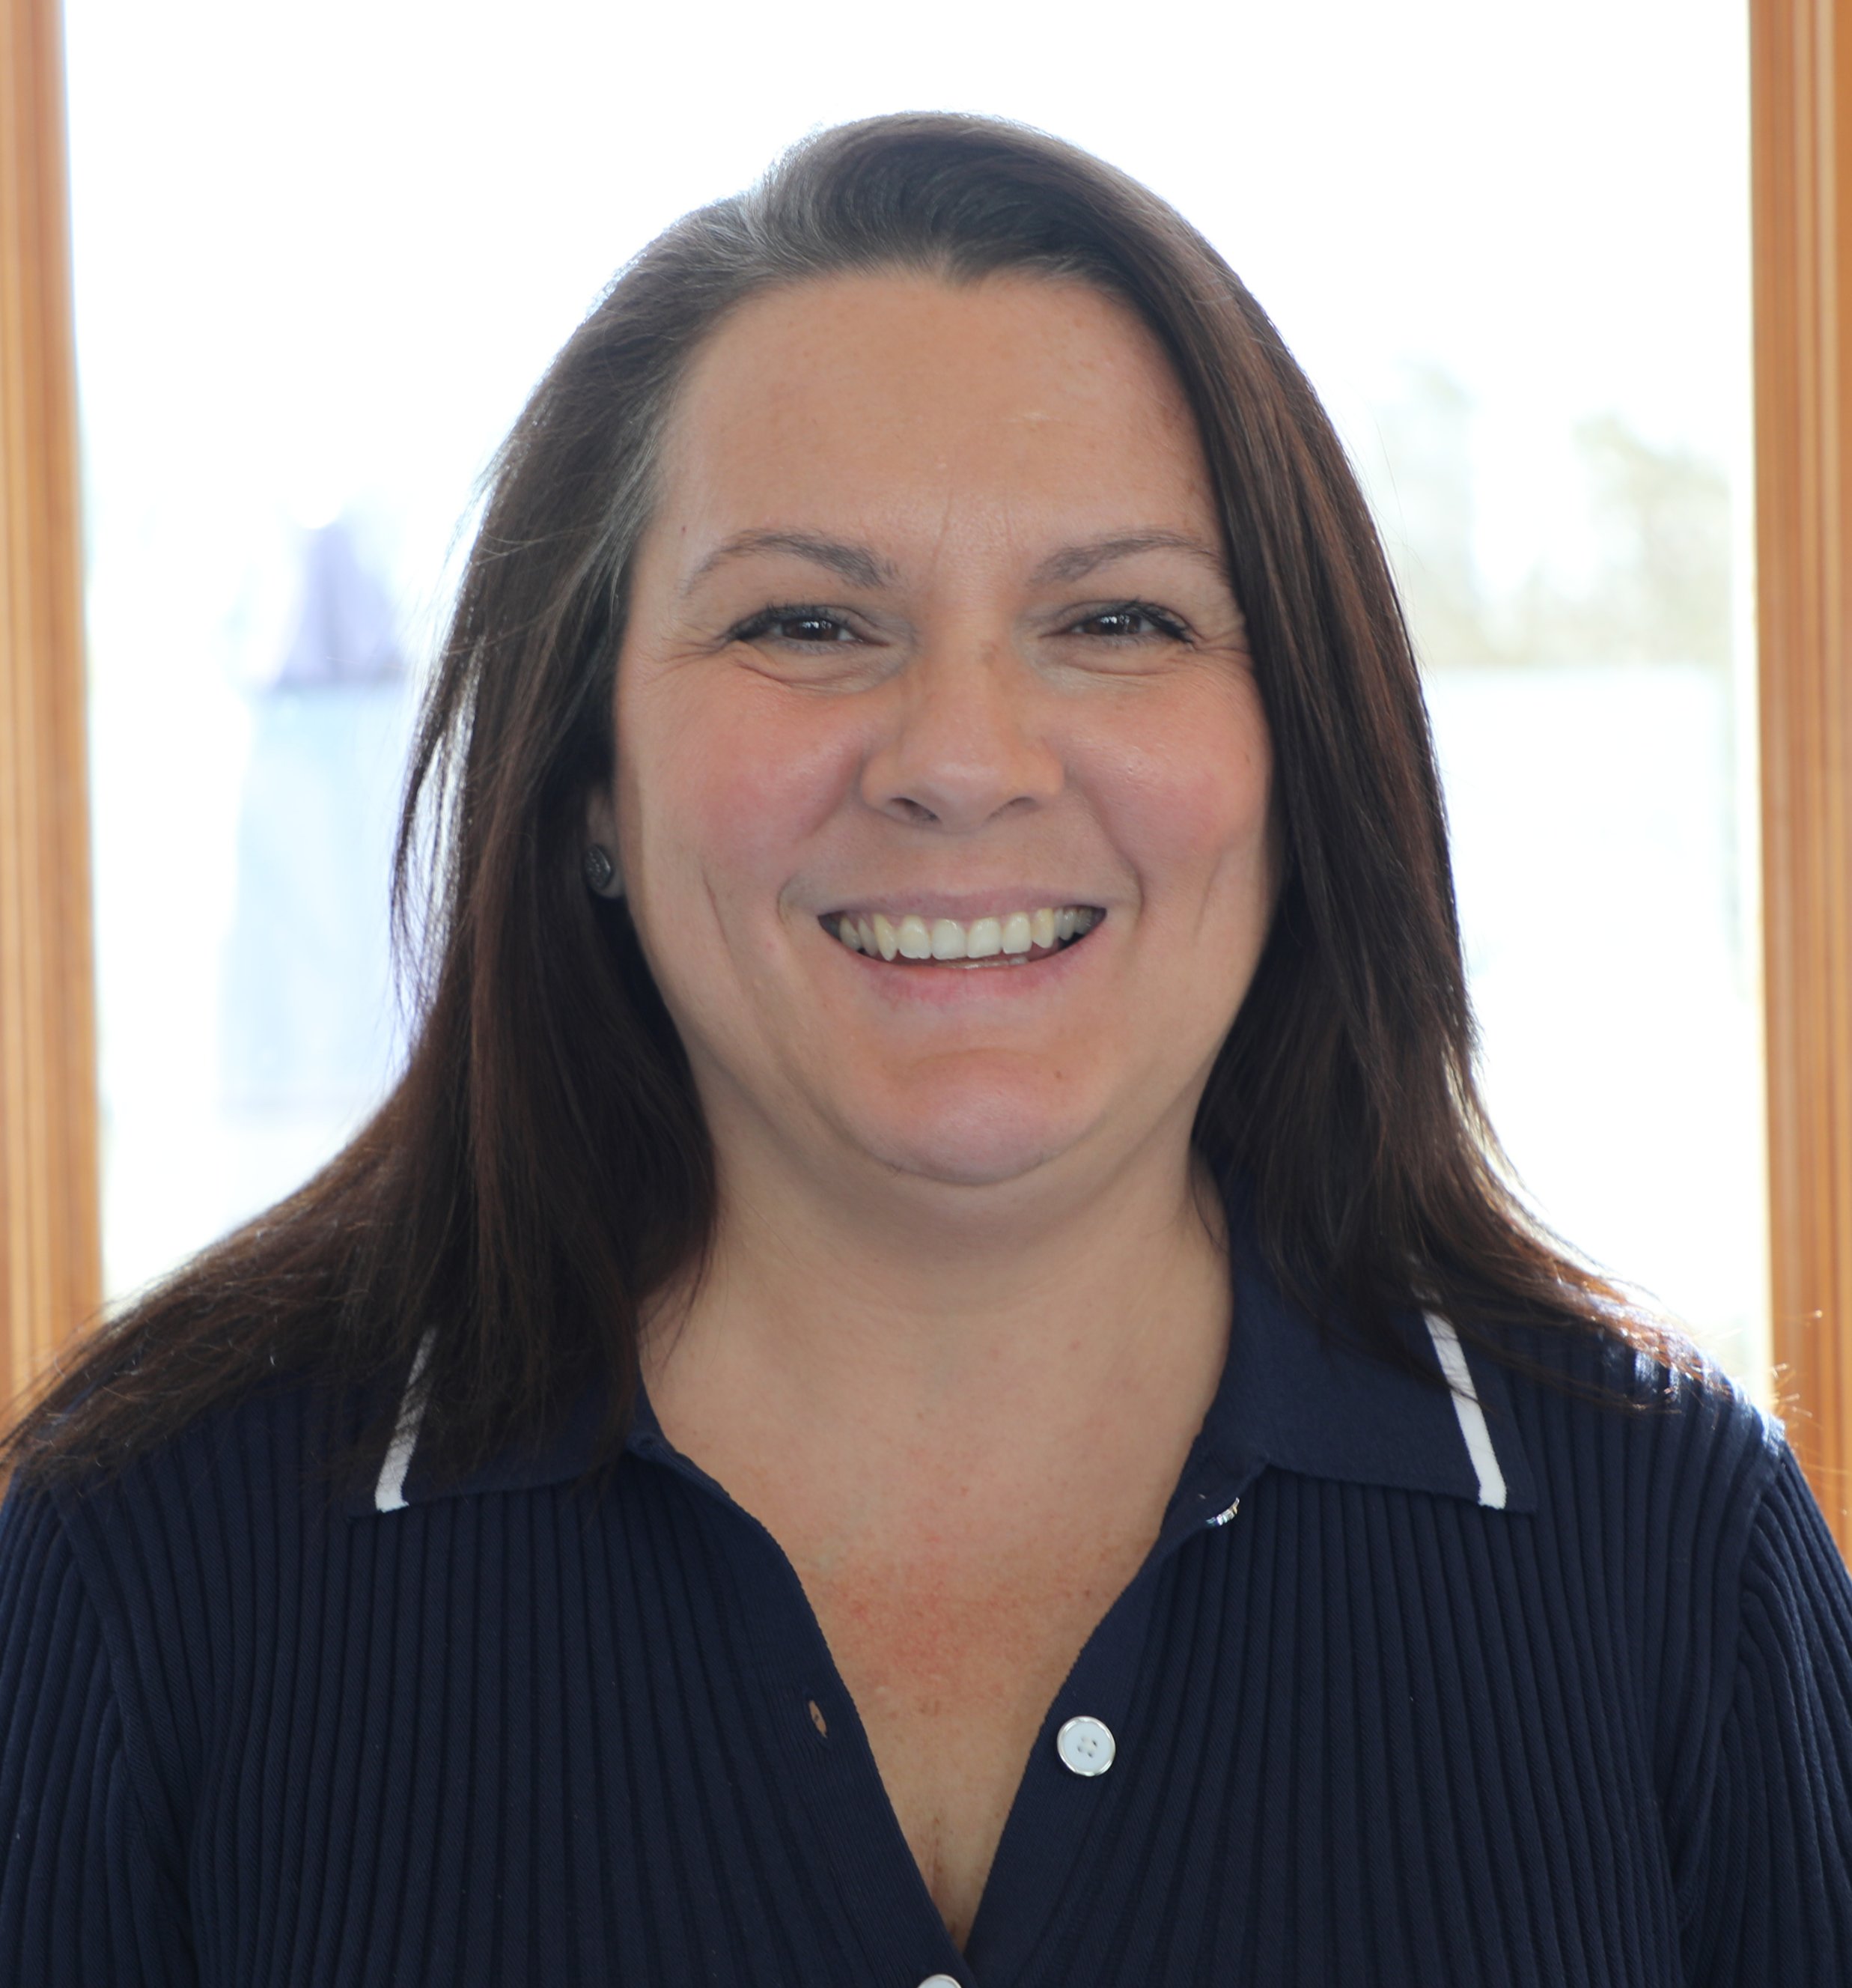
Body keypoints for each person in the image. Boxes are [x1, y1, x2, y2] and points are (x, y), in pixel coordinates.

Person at [2, 112, 1848, 1987]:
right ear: (585, 788)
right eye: (806, 621)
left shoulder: (1672, 1547)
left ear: (1299, 754)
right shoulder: (141, 1569)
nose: (962, 758)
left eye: (1117, 619)